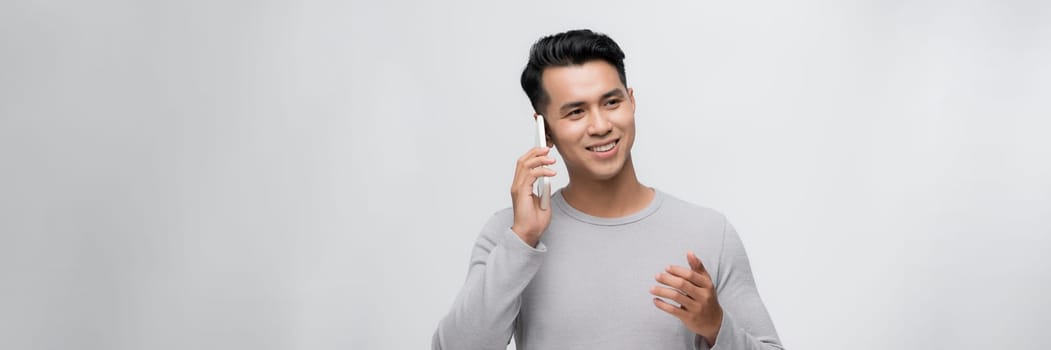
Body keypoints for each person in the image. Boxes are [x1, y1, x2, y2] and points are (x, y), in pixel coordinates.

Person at [432, 29, 784, 350]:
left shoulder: (709, 233)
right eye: (575, 112)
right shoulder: (507, 236)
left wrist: (716, 326)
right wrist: (522, 239)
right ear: (545, 131)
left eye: (611, 102)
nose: (600, 125)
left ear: (631, 102)